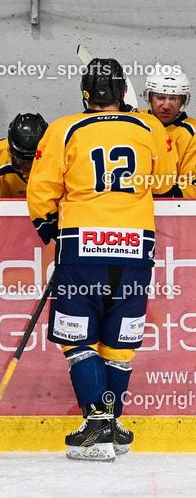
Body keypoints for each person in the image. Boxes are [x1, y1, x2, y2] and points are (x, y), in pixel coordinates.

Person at [27, 58, 176, 462]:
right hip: (135, 248)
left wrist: (49, 231)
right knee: (119, 343)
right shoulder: (150, 128)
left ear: (85, 93)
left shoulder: (64, 129)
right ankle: (114, 426)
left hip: (82, 247)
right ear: (124, 90)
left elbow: (41, 192)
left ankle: (96, 422)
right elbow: (163, 182)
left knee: (77, 339)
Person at [144, 69, 196, 197]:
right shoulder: (135, 122)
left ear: (183, 101)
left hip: (172, 213)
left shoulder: (192, 132)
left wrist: (161, 193)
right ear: (149, 98)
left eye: (173, 99)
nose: (166, 106)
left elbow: (192, 187)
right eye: (160, 97)